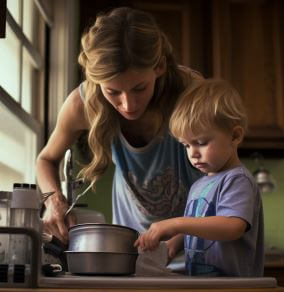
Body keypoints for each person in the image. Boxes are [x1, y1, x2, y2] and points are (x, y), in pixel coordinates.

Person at [35, 7, 204, 244]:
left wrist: (185, 235)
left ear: (159, 67)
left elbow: (226, 174)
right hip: (133, 251)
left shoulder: (191, 91)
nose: (128, 104)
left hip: (197, 245)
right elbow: (45, 160)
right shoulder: (82, 105)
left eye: (139, 88)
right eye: (113, 91)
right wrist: (53, 201)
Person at [135, 79, 264, 277]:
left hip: (235, 287)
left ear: (235, 136)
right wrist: (171, 245)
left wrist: (175, 223)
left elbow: (232, 226)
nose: (193, 153)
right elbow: (197, 225)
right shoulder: (199, 185)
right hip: (203, 283)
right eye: (186, 145)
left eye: (201, 142)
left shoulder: (237, 180)